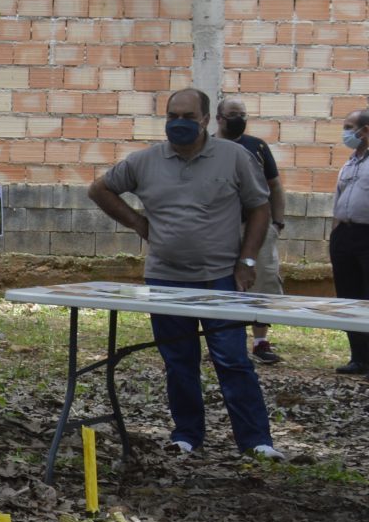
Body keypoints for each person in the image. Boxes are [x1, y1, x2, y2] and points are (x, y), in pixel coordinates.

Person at [87, 87, 283, 459]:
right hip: (165, 279)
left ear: (206, 120)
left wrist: (247, 261)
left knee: (232, 360)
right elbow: (99, 190)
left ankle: (256, 441)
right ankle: (187, 435)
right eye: (172, 116)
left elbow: (260, 208)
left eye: (188, 117)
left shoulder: (234, 157)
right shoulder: (145, 161)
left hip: (220, 279)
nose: (179, 123)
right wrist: (138, 223)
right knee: (179, 363)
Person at [217, 98, 286, 363]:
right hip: (221, 226)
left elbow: (275, 185)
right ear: (219, 118)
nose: (239, 119)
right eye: (233, 114)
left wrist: (277, 223)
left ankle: (260, 342)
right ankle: (223, 340)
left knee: (264, 279)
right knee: (223, 281)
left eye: (243, 115)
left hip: (259, 226)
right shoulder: (208, 147)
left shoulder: (257, 147)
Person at [330, 105, 369, 375]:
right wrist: (335, 235)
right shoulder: (349, 163)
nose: (345, 133)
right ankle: (359, 357)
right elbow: (339, 200)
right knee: (348, 299)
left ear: (365, 131)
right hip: (344, 235)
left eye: (349, 128)